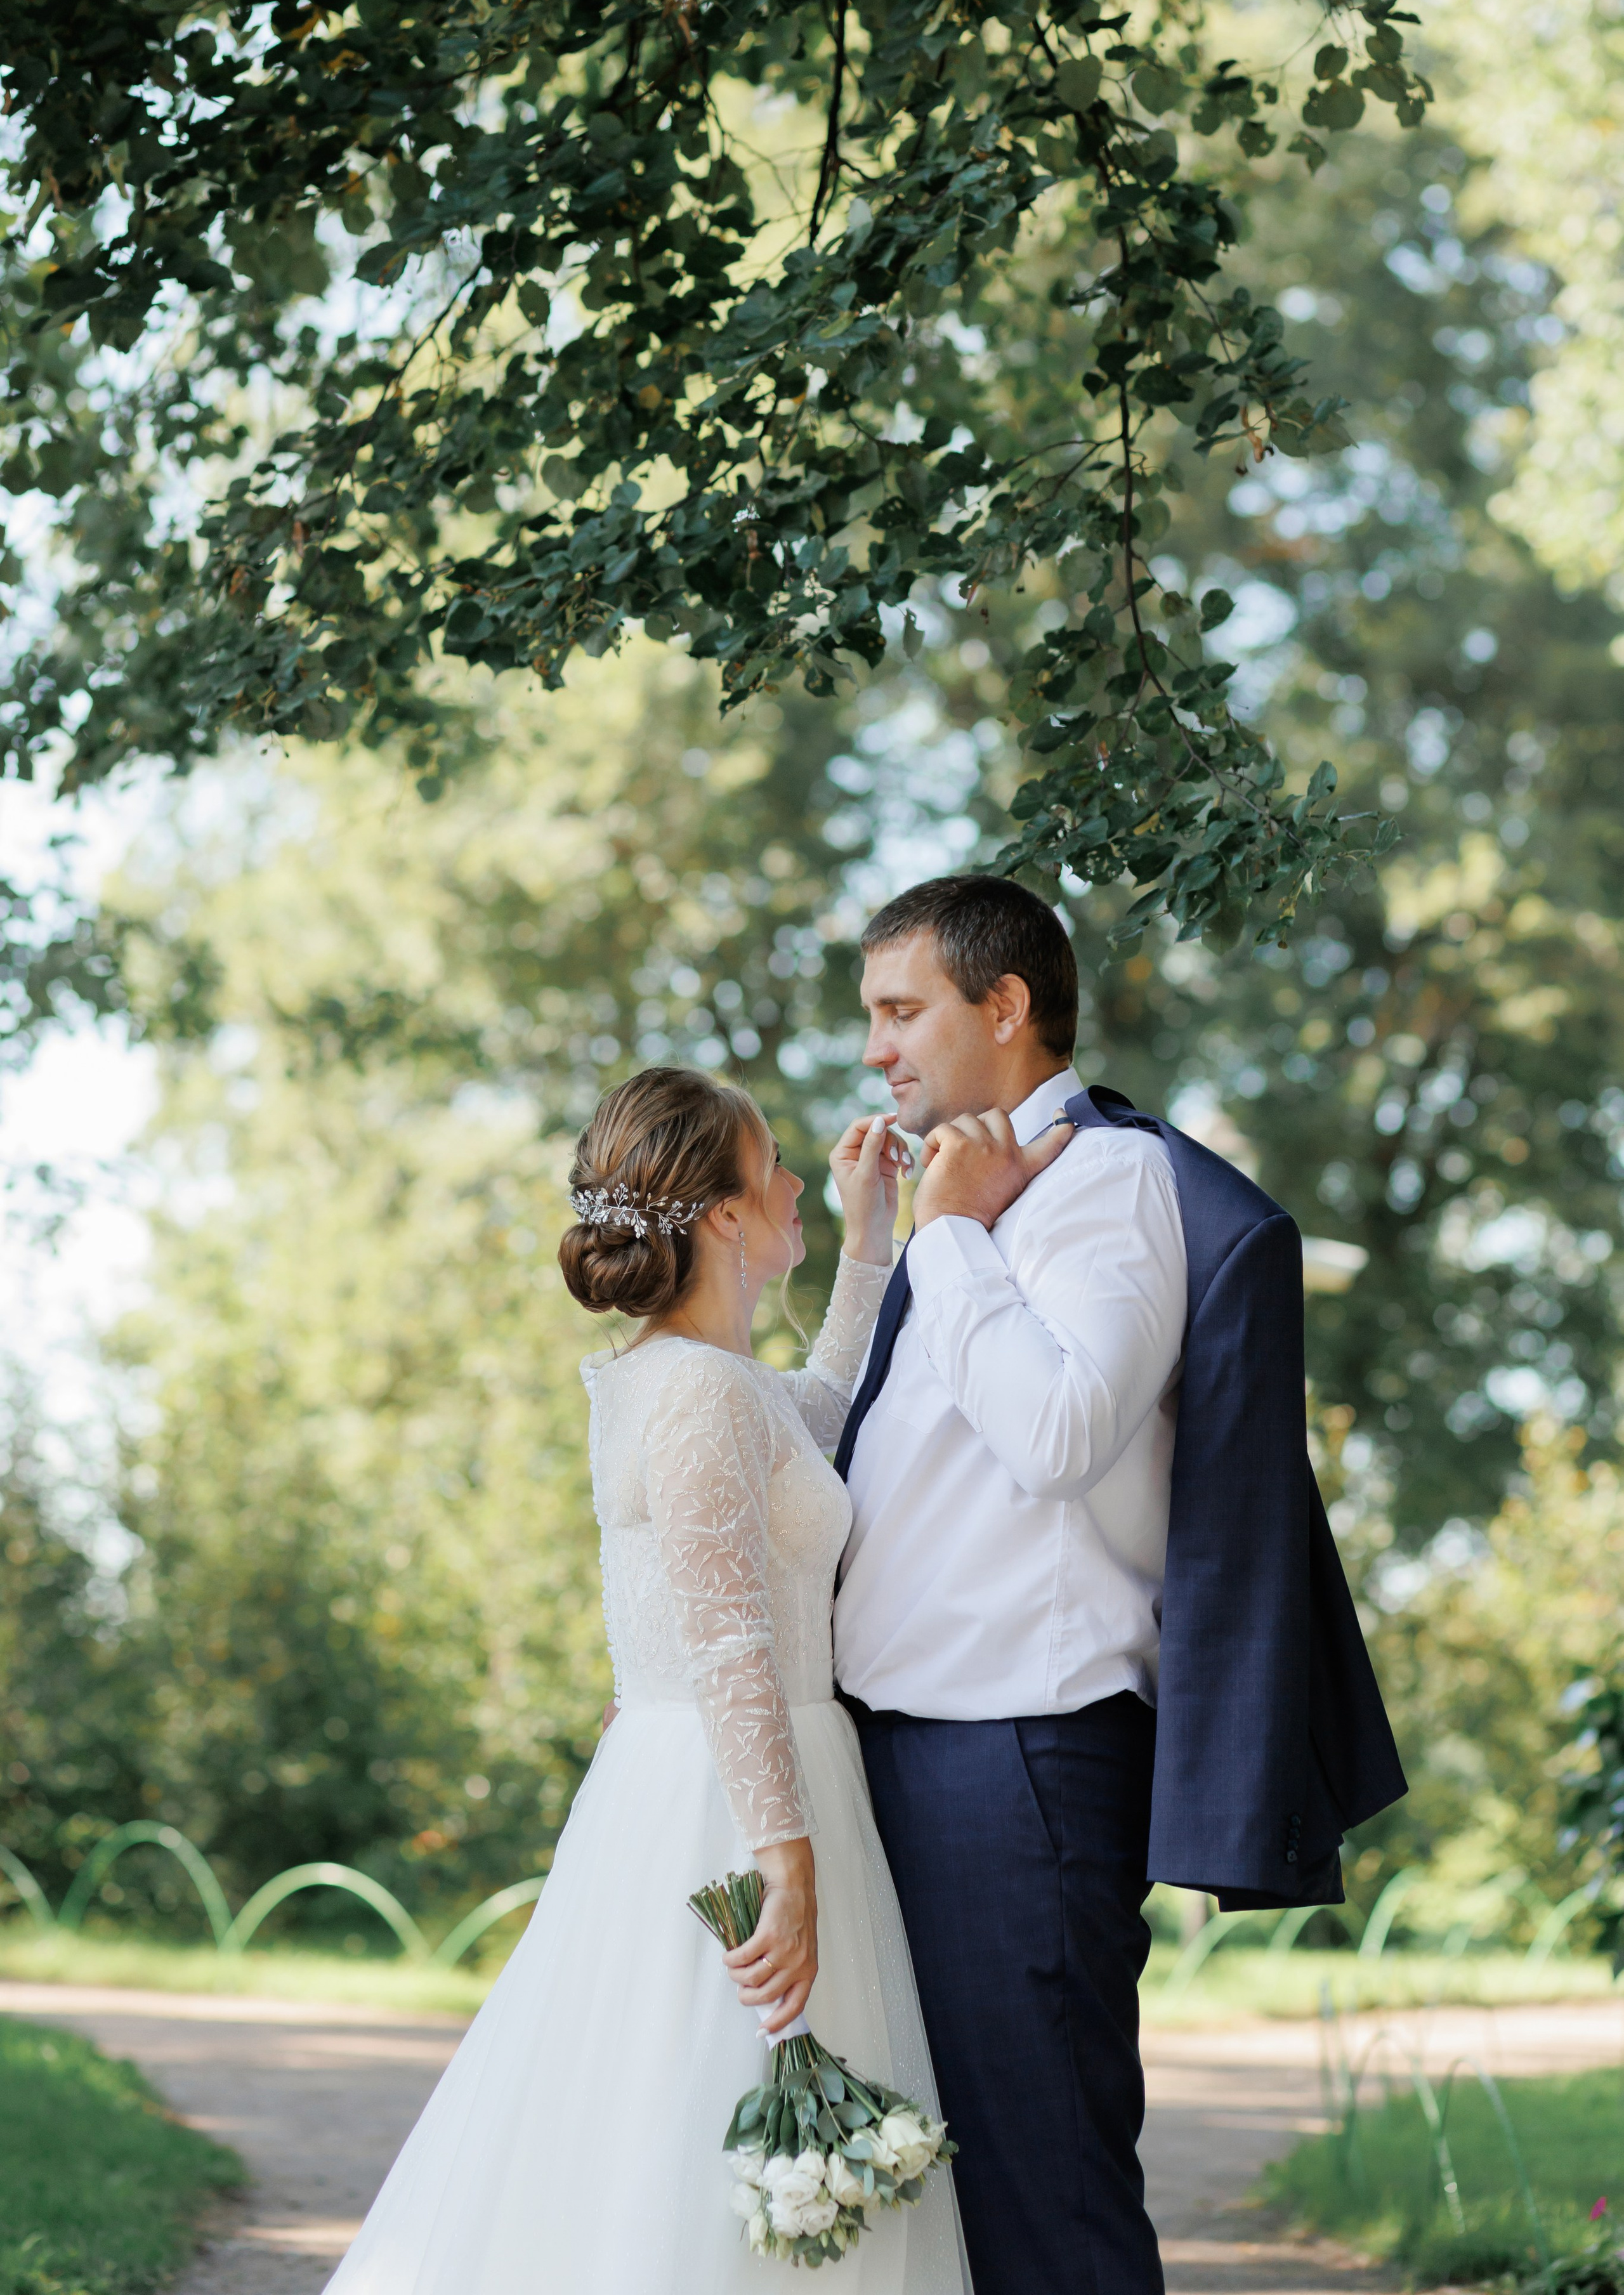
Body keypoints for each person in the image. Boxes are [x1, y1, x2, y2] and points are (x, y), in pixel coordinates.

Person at [323, 1064, 1026, 2294]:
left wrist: (865, 1244)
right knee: (702, 2112)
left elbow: (818, 1412)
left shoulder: (711, 1386)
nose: (801, 1179)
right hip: (737, 1798)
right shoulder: (696, 1394)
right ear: (722, 1218)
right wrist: (786, 1860)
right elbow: (725, 1643)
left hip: (744, 1776)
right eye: (776, 1170)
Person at [832, 873, 1406, 2295]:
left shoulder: (1104, 1181)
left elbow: (1057, 1438)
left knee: (1050, 2205)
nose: (874, 1050)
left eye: (900, 1011)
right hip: (902, 1750)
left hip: (1015, 1761)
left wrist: (953, 1237)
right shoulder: (952, 1199)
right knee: (946, 2200)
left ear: (1005, 1006)